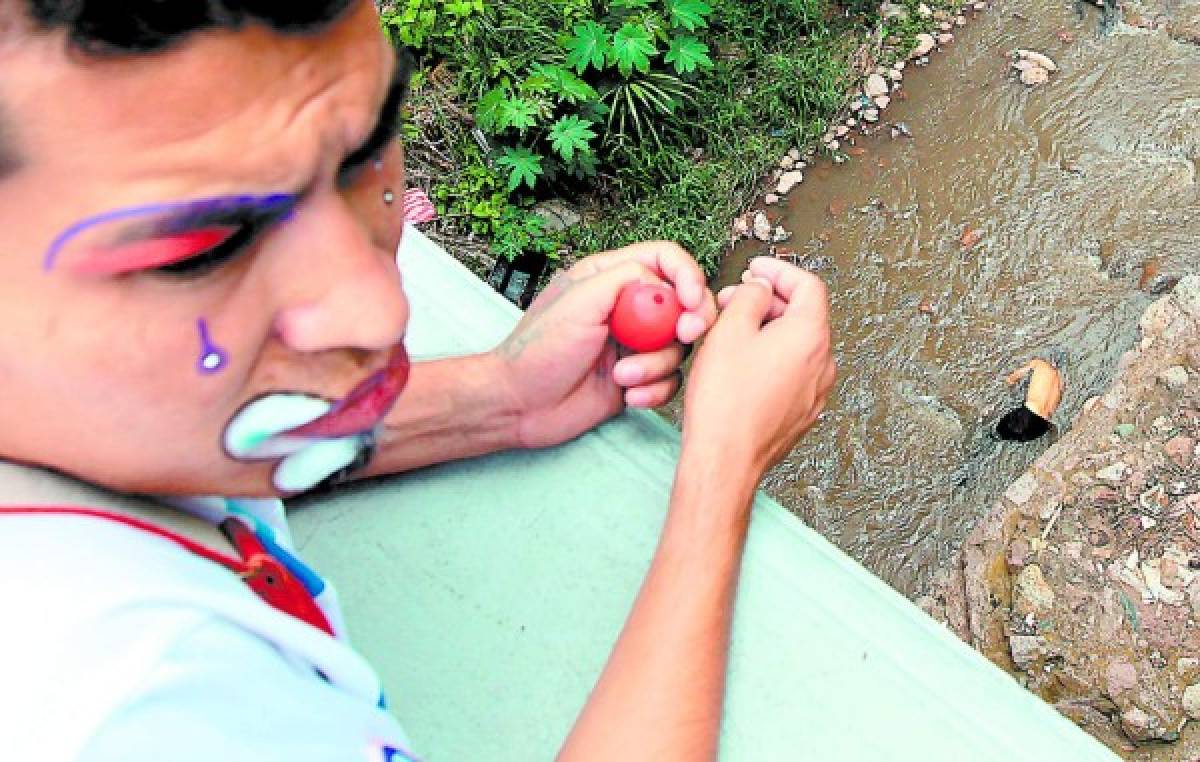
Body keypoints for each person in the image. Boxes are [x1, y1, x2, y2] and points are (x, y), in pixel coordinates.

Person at [0, 2, 835, 760]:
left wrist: (501, 397)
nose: (378, 310)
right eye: (204, 251)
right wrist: (720, 470)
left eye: (366, 151)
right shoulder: (128, 706)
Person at [994, 357, 1063, 442]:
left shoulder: (1040, 363)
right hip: (1043, 425)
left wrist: (1009, 385)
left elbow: (1013, 378)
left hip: (1028, 415)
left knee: (997, 433)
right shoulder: (1061, 380)